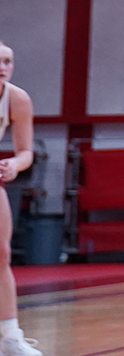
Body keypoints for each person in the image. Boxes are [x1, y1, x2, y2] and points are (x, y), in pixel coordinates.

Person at [0, 41, 42, 356]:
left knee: (2, 255)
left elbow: (26, 152)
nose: (3, 66)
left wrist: (14, 163)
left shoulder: (17, 98)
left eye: (8, 61)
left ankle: (9, 337)